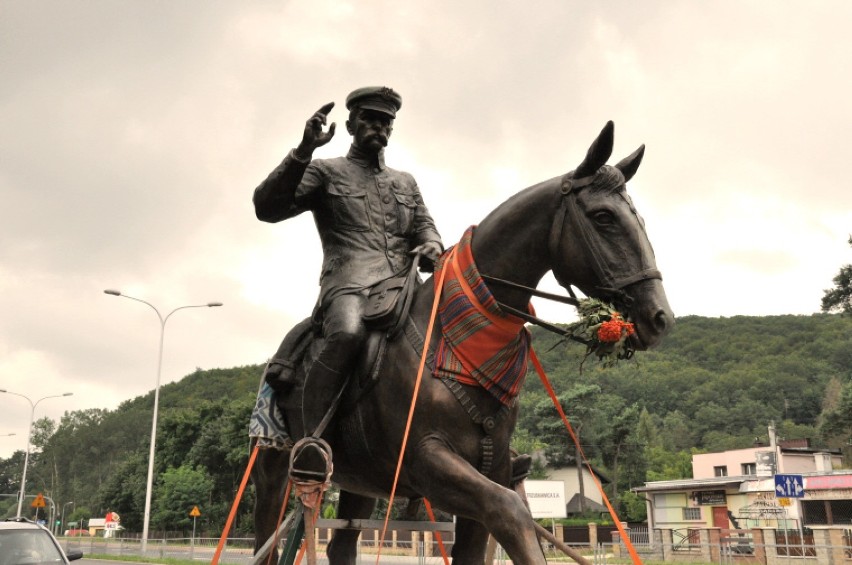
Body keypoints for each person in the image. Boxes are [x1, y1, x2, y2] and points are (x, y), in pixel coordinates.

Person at [253, 86, 443, 434]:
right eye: (369, 119)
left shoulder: (405, 181)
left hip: (405, 287)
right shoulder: (325, 171)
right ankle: (313, 440)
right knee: (348, 333)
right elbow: (267, 208)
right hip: (350, 284)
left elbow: (426, 228)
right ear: (351, 124)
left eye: (386, 122)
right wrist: (304, 150)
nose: (379, 127)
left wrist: (432, 245)